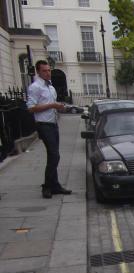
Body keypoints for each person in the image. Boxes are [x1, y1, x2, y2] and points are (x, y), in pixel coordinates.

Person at [27, 60, 72, 198]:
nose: (48, 73)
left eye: (49, 70)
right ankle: (47, 186)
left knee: (54, 155)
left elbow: (52, 105)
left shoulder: (50, 87)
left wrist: (60, 106)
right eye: (44, 71)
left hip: (53, 124)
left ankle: (55, 185)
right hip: (43, 124)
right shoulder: (35, 87)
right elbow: (31, 108)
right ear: (38, 72)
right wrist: (52, 105)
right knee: (54, 155)